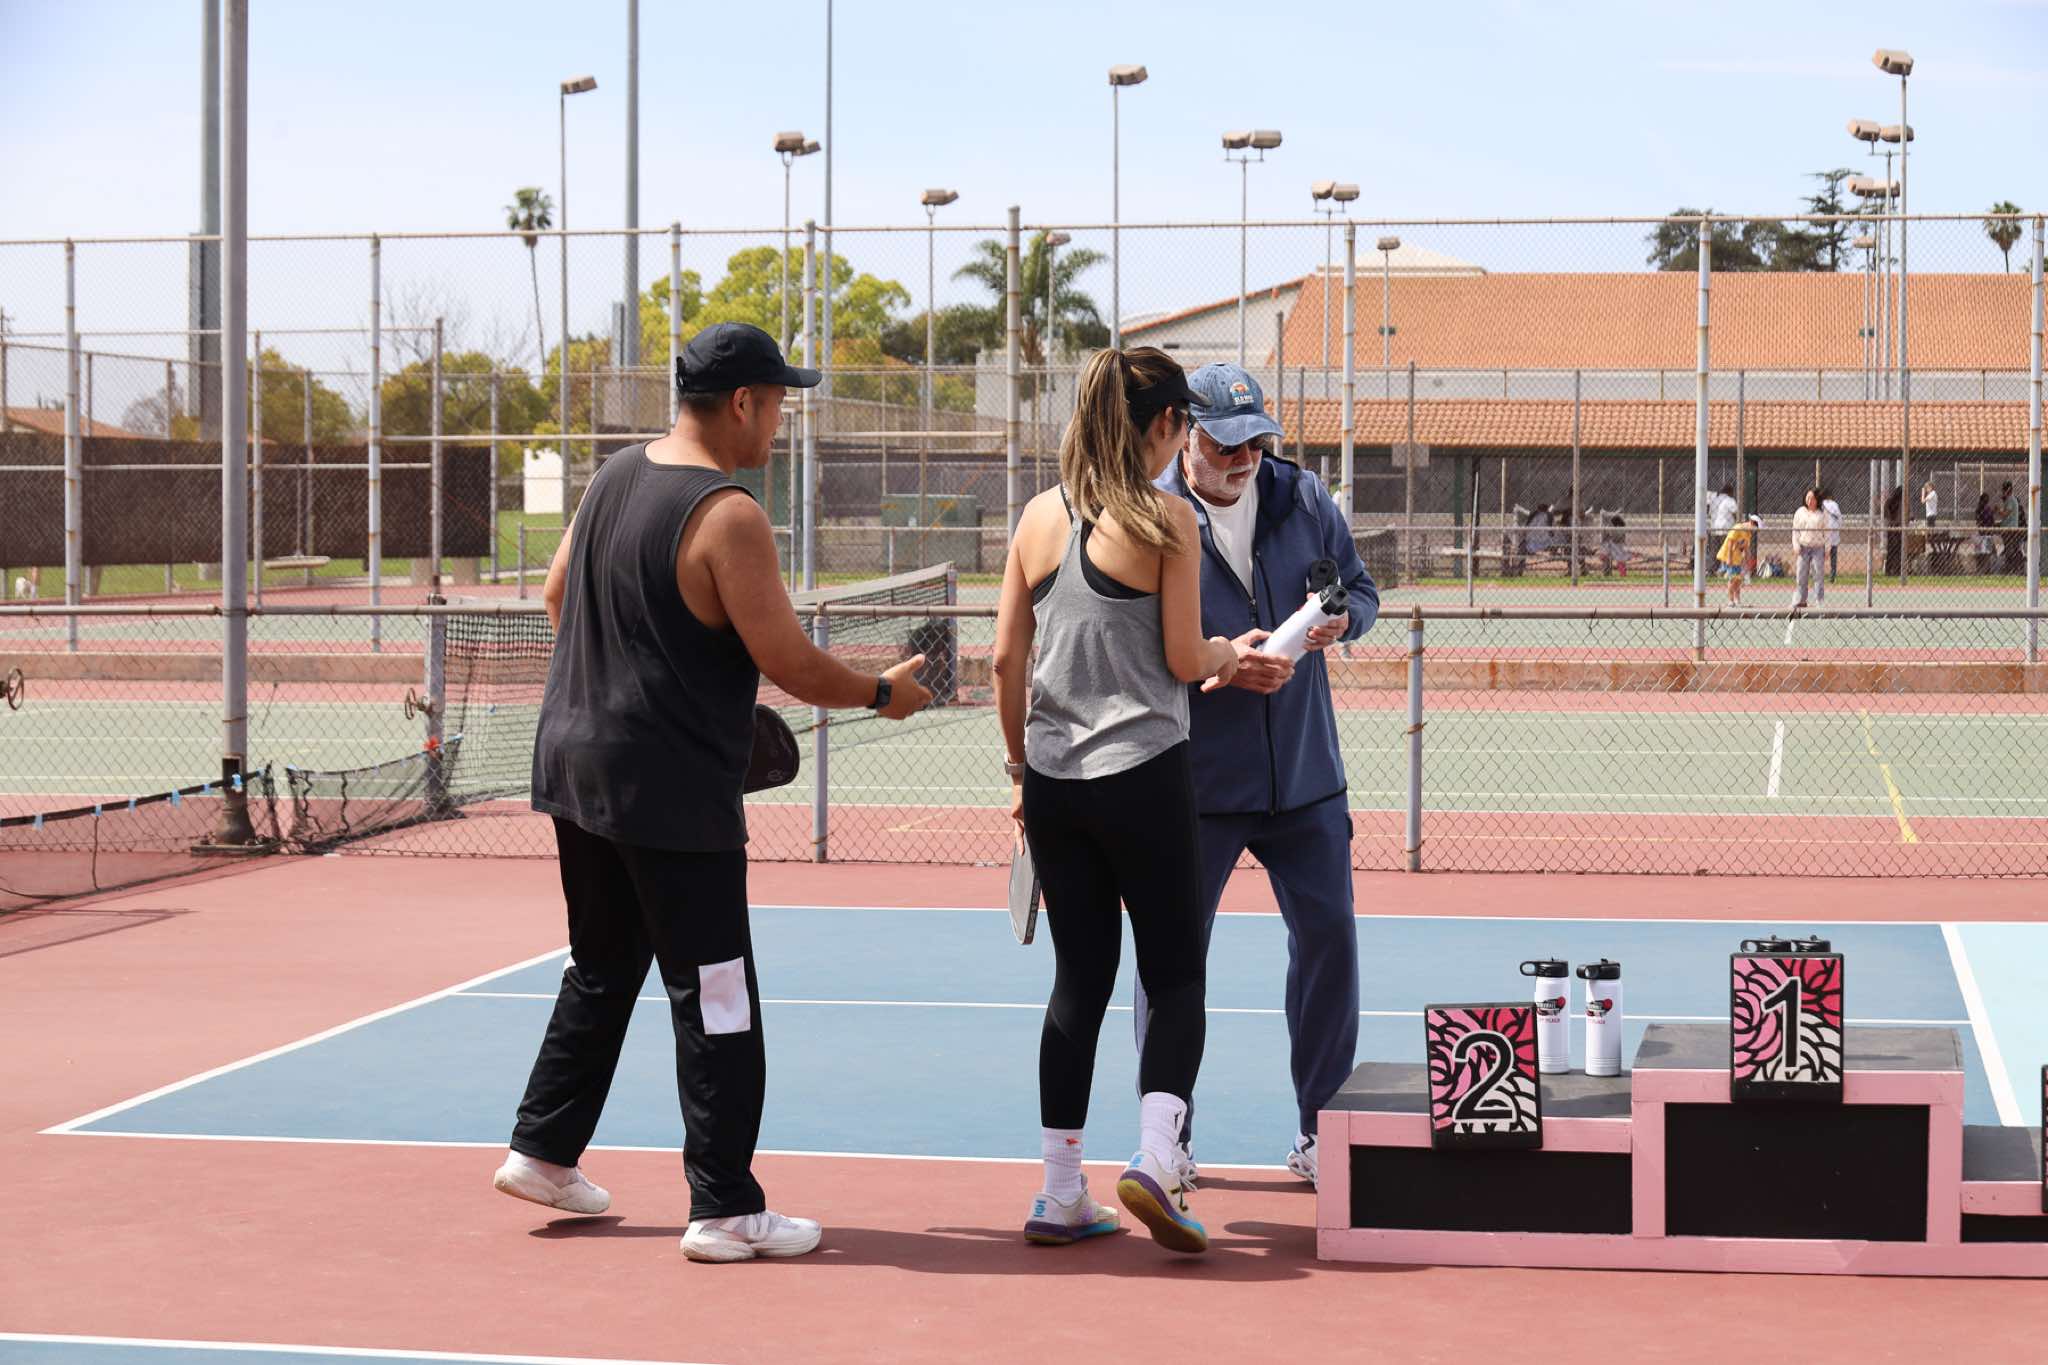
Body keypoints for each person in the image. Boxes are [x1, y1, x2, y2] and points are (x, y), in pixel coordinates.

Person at [497, 323, 933, 1264]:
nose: (779, 423)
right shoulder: (729, 513)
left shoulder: (614, 475)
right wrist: (883, 694)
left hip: (575, 767)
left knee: (603, 963)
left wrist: (624, 685)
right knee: (719, 992)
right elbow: (790, 660)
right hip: (667, 789)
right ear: (742, 403)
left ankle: (542, 1148)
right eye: (776, 405)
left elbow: (556, 593)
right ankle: (726, 1205)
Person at [994, 345, 1238, 1254]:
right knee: (1175, 976)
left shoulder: (1036, 518)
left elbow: (1004, 660)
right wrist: (1228, 652)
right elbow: (1183, 656)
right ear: (1167, 424)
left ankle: (1061, 1191)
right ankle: (1157, 1158)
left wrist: (1019, 773)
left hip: (1055, 785)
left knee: (1078, 983)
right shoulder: (1168, 519)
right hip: (1144, 773)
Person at [1138, 362, 1381, 1191]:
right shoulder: (1151, 514)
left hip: (1307, 780)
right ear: (1185, 434)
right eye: (1224, 445)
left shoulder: (1304, 498)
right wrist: (1219, 662)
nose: (1243, 461)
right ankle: (1169, 1138)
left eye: (1255, 444)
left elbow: (1361, 589)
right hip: (1197, 784)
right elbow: (1135, 648)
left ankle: (1322, 1130)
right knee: (1173, 961)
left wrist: (1343, 620)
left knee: (1330, 944)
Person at [1791, 487, 1828, 609]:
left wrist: (1827, 549)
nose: (1810, 501)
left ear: (1817, 500)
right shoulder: (1800, 512)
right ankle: (1801, 599)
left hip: (1818, 547)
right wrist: (1796, 545)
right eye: (1808, 498)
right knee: (1801, 574)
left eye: (1812, 498)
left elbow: (1827, 532)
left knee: (1818, 575)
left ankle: (1819, 599)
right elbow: (1795, 531)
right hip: (1803, 547)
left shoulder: (1822, 514)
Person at [1718, 515, 1758, 605]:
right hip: (1730, 557)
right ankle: (1731, 600)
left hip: (1737, 559)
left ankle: (1737, 599)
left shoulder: (1748, 534)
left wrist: (1748, 562)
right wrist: (1729, 558)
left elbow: (1746, 549)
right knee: (1733, 579)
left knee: (1738, 580)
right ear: (1751, 523)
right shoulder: (1738, 528)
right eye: (1754, 528)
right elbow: (1730, 543)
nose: (1754, 531)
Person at [1707, 482, 1738, 572]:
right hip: (1726, 528)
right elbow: (1735, 512)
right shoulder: (1730, 500)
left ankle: (1712, 569)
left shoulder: (1715, 500)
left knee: (1715, 550)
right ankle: (1725, 568)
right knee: (1727, 549)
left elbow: (1710, 513)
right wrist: (1737, 522)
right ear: (1730, 492)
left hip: (1714, 527)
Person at [1821, 488, 1843, 582]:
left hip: (1824, 533)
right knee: (1833, 556)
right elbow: (1840, 519)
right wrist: (1839, 527)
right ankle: (1832, 576)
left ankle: (1819, 574)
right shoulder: (1835, 504)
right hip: (1834, 532)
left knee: (1821, 556)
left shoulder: (1821, 505)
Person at [1883, 485, 1905, 576]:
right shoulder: (1892, 501)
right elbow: (1887, 514)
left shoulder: (1898, 502)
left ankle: (1894, 570)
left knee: (1895, 550)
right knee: (1893, 550)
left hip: (1896, 528)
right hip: (1894, 528)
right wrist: (1893, 522)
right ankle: (1891, 570)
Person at [1976, 491, 1999, 572]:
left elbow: (1989, 517)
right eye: (1986, 499)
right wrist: (1994, 511)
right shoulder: (1981, 508)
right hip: (1985, 532)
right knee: (1987, 551)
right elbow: (1986, 517)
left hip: (1986, 531)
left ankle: (1987, 568)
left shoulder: (1984, 508)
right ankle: (1986, 569)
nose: (1987, 501)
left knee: (1988, 550)